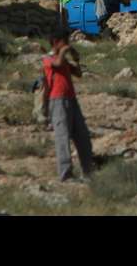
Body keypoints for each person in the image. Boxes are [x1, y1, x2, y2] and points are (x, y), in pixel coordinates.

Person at [41, 36, 95, 181]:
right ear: (55, 42)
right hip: (57, 100)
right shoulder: (48, 58)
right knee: (62, 137)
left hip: (71, 99)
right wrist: (64, 51)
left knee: (82, 135)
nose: (67, 44)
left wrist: (76, 60)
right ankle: (66, 174)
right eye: (63, 41)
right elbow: (56, 64)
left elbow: (78, 74)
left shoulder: (63, 60)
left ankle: (88, 172)